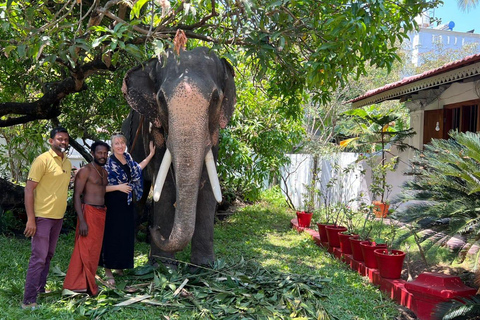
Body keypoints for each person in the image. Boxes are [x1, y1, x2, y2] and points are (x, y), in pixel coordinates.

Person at [22, 127, 72, 309]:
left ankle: (40, 289)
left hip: (58, 218)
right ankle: (28, 300)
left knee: (48, 255)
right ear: (51, 141)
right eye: (59, 139)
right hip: (42, 217)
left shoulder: (66, 162)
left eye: (66, 139)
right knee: (39, 257)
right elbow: (29, 189)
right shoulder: (42, 160)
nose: (63, 142)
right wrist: (31, 219)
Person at [99, 133, 155, 286]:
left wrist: (150, 155)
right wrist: (119, 187)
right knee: (111, 236)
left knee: (124, 235)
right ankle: (108, 271)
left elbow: (137, 169)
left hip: (127, 202)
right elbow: (99, 188)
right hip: (113, 203)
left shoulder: (128, 158)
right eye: (116, 143)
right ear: (112, 146)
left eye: (122, 143)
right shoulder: (108, 163)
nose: (120, 146)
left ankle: (120, 266)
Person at [63, 141, 110, 295]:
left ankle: (88, 283)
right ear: (92, 153)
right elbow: (77, 195)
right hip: (88, 212)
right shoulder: (85, 171)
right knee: (83, 249)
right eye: (99, 153)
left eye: (105, 153)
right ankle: (74, 285)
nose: (103, 156)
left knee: (94, 250)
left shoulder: (104, 172)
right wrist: (82, 220)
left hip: (100, 213)